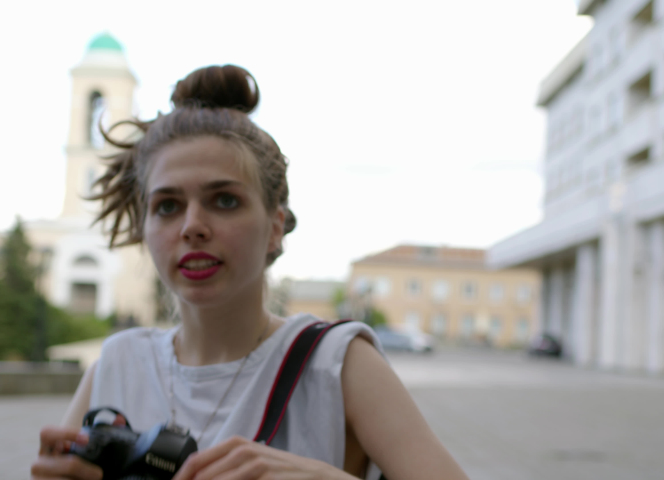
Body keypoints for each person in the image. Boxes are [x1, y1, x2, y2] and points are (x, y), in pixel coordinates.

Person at [30, 65, 469, 480]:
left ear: (275, 226)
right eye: (167, 206)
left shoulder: (336, 364)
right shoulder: (118, 365)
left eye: (224, 200)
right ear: (145, 228)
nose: (191, 226)